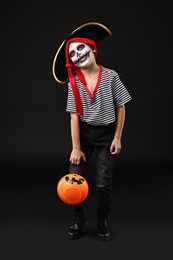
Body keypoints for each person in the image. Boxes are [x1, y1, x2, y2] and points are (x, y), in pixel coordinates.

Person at [52, 22, 132, 241]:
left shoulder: (111, 76)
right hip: (85, 134)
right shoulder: (73, 82)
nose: (78, 55)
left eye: (80, 48)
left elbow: (121, 106)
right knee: (74, 177)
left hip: (107, 134)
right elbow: (74, 116)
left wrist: (117, 137)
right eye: (72, 53)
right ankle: (78, 220)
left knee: (103, 181)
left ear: (92, 48)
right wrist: (76, 147)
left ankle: (102, 221)